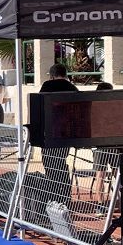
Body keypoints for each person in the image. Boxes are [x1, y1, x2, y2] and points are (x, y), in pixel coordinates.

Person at [37, 64, 79, 204]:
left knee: (49, 163)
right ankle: (65, 196)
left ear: (52, 75)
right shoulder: (72, 87)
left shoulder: (47, 85)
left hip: (49, 131)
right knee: (61, 162)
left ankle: (55, 194)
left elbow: (38, 104)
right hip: (66, 131)